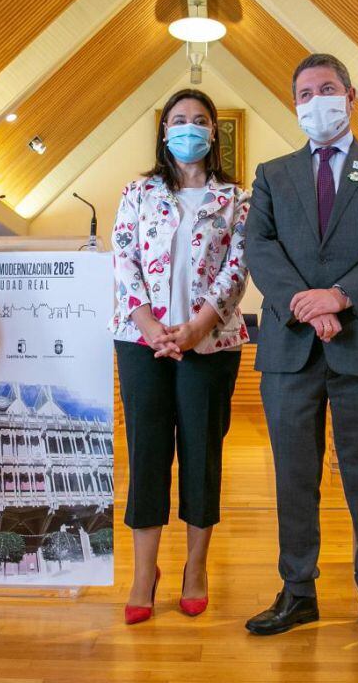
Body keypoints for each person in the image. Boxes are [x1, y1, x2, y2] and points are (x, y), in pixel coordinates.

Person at [244, 54, 358, 645]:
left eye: (326, 88)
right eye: (303, 92)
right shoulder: (273, 173)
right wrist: (305, 302)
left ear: (350, 95)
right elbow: (259, 247)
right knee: (294, 477)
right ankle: (297, 593)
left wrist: (339, 297)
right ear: (294, 104)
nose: (315, 100)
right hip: (290, 348)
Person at [111, 88, 249, 625]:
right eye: (178, 120)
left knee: (201, 452)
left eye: (199, 120)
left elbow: (238, 268)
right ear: (163, 131)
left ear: (213, 132)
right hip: (140, 340)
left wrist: (196, 327)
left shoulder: (237, 198)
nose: (188, 128)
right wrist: (148, 323)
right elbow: (123, 257)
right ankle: (145, 572)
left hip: (210, 344)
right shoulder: (138, 191)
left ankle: (195, 566)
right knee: (147, 452)